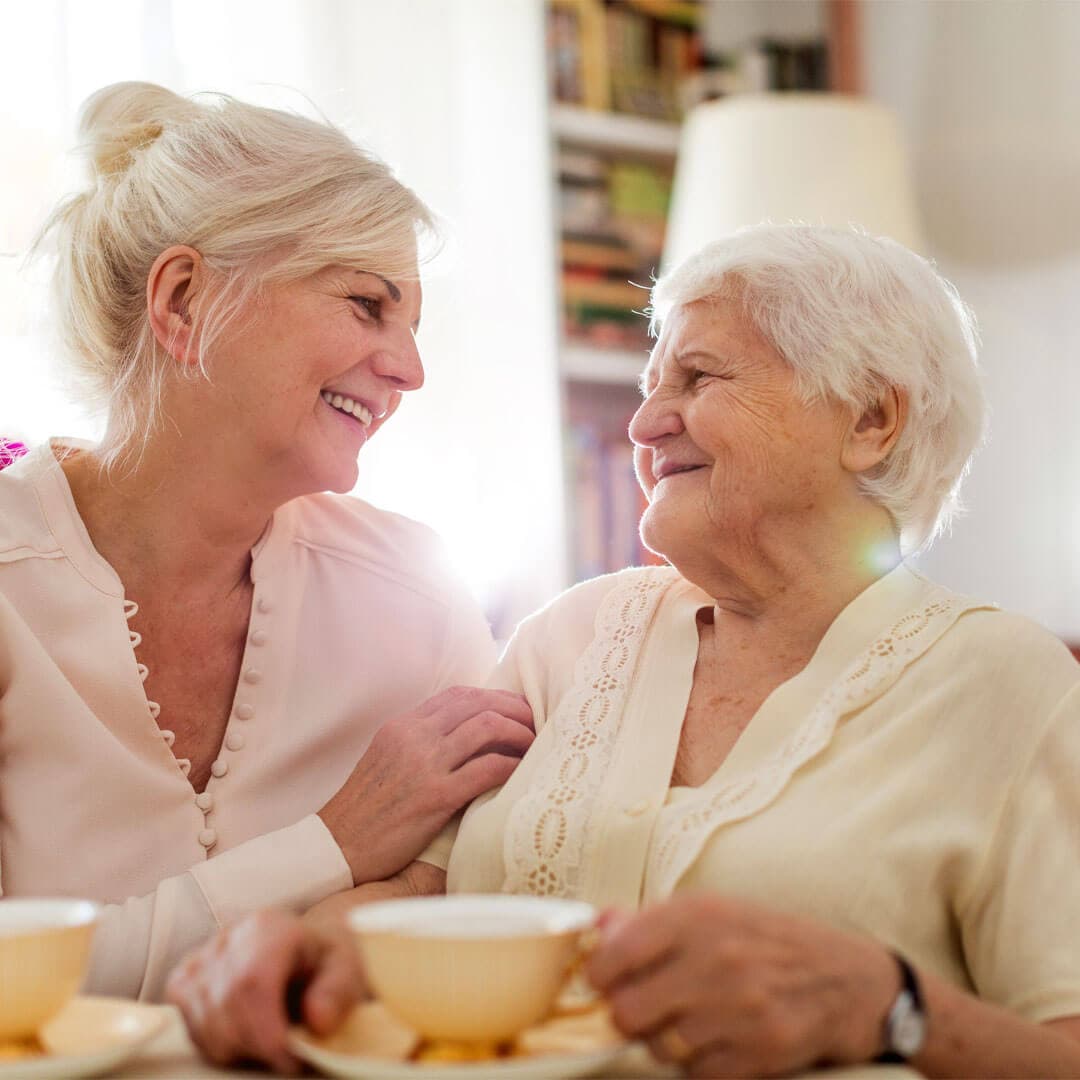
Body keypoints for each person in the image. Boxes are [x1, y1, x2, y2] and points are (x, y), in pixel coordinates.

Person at [170, 225, 1080, 1077]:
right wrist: (305, 949)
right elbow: (423, 890)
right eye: (650, 387)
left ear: (871, 418)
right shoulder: (574, 634)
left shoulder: (1007, 682)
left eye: (698, 378)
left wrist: (891, 1009)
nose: (644, 426)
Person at [0, 81, 536, 1001]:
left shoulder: (415, 594)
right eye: (367, 305)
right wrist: (333, 847)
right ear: (183, 302)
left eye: (412, 325)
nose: (410, 369)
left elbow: (485, 904)